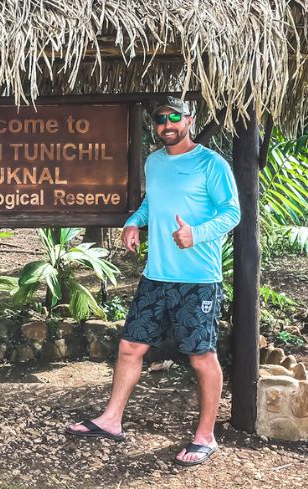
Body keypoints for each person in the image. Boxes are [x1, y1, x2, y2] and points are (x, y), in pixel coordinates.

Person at [66, 96, 240, 466]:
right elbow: (153, 202)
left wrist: (197, 233)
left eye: (174, 117)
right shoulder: (154, 161)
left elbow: (232, 213)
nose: (167, 125)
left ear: (189, 120)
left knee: (200, 355)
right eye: (161, 119)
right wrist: (134, 221)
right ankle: (111, 420)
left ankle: (206, 436)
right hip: (155, 277)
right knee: (130, 347)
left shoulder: (212, 164)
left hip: (197, 280)